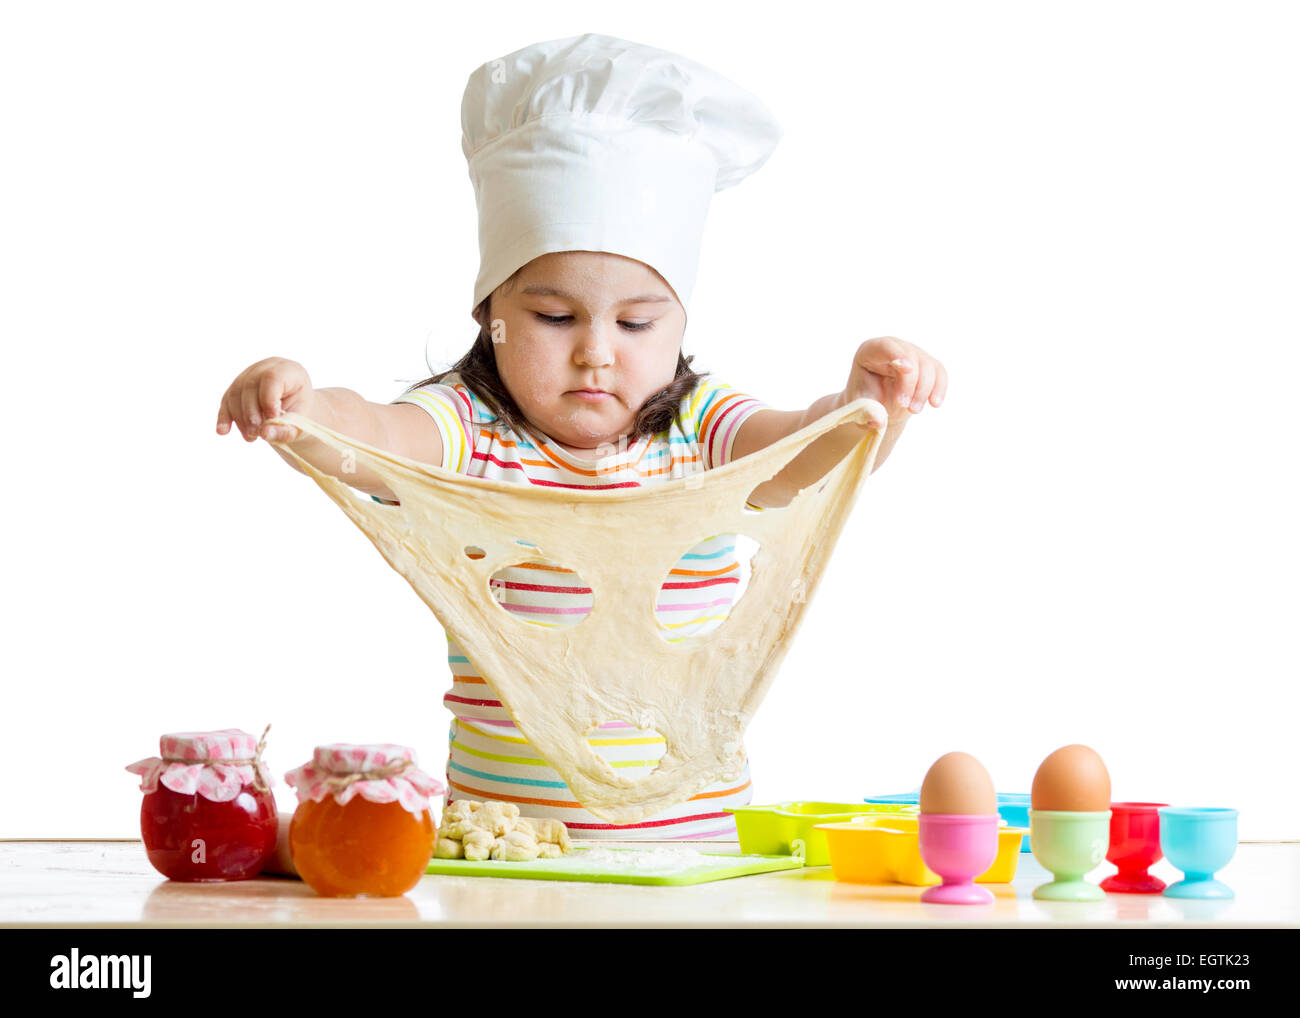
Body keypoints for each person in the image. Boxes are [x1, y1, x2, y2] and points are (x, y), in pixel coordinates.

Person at [217, 35, 946, 844]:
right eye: (555, 317)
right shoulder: (471, 433)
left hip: (694, 848)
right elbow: (376, 437)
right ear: (489, 315)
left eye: (636, 321)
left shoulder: (699, 430)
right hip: (510, 852)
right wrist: (306, 404)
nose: (597, 350)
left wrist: (865, 406)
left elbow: (803, 459)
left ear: (678, 325)